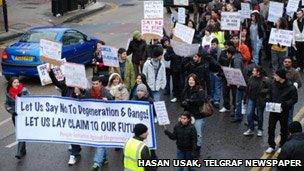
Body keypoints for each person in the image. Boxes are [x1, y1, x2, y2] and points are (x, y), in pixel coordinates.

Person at [48, 67, 88, 166]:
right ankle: (74, 152)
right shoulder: (65, 87)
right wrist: (50, 72)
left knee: (75, 133)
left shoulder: (82, 89)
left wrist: (78, 94)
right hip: (67, 116)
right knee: (71, 133)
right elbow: (56, 82)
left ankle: (74, 151)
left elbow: (86, 101)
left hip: (79, 117)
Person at [265, 69, 298, 154]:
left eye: (276, 75)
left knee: (284, 129)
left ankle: (282, 145)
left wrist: (285, 104)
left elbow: (294, 99)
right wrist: (268, 98)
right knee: (271, 128)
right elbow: (269, 92)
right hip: (273, 110)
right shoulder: (273, 84)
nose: (274, 77)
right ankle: (271, 145)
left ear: (281, 77)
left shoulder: (291, 87)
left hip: (283, 111)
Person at [90, 76, 114, 171]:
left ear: (100, 83)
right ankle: (104, 158)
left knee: (99, 141)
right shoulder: (89, 92)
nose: (95, 86)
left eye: (96, 84)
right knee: (99, 140)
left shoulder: (106, 92)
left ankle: (97, 163)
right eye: (93, 84)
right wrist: (78, 94)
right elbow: (83, 102)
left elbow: (113, 104)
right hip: (94, 121)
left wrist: (107, 102)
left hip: (104, 121)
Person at [181, 74, 207, 158]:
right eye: (189, 80)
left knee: (198, 134)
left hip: (198, 116)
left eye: (192, 80)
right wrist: (183, 103)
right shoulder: (185, 90)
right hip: (188, 115)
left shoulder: (200, 90)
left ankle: (197, 151)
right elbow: (182, 101)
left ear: (196, 81)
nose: (190, 81)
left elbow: (201, 101)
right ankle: (190, 150)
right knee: (188, 134)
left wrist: (190, 101)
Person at [5, 77, 29, 159]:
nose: (16, 84)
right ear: (11, 84)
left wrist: (20, 96)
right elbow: (7, 104)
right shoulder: (8, 93)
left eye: (17, 82)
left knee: (21, 132)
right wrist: (12, 111)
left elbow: (29, 100)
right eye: (14, 82)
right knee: (19, 132)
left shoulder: (24, 90)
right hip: (15, 116)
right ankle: (23, 150)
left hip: (23, 115)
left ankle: (19, 152)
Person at [243, 66, 270, 137]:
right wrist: (245, 98)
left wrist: (263, 91)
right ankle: (250, 129)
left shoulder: (265, 80)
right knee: (249, 113)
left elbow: (270, 89)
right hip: (251, 99)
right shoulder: (251, 78)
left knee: (260, 115)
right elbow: (248, 88)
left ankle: (260, 129)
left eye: (254, 71)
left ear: (258, 72)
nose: (252, 72)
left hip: (260, 100)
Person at [225, 46, 245, 123]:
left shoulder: (236, 60)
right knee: (237, 99)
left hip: (239, 83)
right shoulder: (234, 58)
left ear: (230, 53)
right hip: (237, 83)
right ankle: (237, 114)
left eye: (227, 53)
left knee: (238, 99)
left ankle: (238, 115)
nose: (226, 55)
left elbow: (237, 72)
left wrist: (237, 83)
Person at [282, 57, 302, 124]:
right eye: (285, 62)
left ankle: (289, 132)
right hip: (281, 96)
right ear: (283, 63)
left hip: (290, 97)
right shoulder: (280, 71)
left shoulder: (295, 72)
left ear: (291, 63)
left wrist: (293, 85)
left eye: (289, 62)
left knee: (289, 116)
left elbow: (299, 83)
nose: (287, 63)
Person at [164, 38, 183, 102]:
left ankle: (181, 96)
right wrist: (172, 54)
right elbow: (166, 58)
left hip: (181, 69)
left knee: (181, 83)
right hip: (174, 68)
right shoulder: (170, 48)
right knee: (175, 83)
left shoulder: (181, 47)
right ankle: (176, 96)